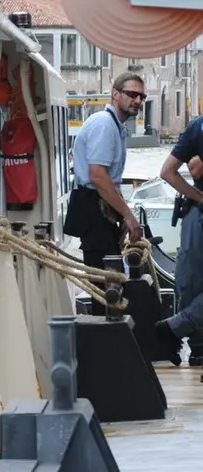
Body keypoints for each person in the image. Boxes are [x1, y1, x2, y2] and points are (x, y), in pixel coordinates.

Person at [63, 72, 145, 318]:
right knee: (104, 283)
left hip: (100, 208)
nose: (138, 101)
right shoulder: (104, 124)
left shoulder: (115, 127)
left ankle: (108, 338)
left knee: (109, 279)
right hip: (92, 207)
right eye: (132, 94)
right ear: (116, 94)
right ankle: (104, 343)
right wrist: (129, 217)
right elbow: (98, 176)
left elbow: (110, 178)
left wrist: (120, 217)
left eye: (141, 96)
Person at [154, 119, 203, 363]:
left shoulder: (199, 126)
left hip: (197, 210)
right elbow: (191, 169)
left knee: (191, 281)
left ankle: (179, 332)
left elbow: (170, 171)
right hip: (198, 210)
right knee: (191, 281)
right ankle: (192, 342)